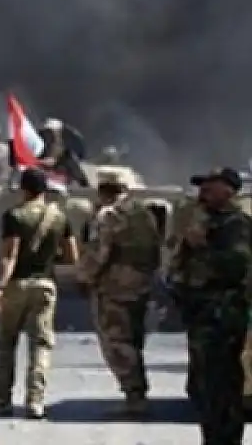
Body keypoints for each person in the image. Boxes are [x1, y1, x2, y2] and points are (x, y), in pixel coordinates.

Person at [0, 167, 79, 419]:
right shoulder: (59, 217)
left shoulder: (15, 215)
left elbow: (10, 256)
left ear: (23, 189)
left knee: (6, 343)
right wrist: (47, 258)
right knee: (40, 345)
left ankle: (1, 399)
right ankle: (35, 401)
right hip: (45, 285)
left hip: (16, 286)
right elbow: (72, 256)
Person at [168, 167, 252, 445]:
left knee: (222, 385)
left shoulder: (236, 225)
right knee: (204, 387)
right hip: (203, 315)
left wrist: (202, 246)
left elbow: (236, 266)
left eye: (210, 185)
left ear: (228, 190)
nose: (203, 191)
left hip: (223, 315)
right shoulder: (206, 221)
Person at [76, 171, 160, 416]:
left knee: (117, 342)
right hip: (140, 285)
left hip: (114, 286)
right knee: (134, 339)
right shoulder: (144, 214)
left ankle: (134, 396)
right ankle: (138, 391)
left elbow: (99, 253)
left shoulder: (108, 215)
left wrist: (83, 277)